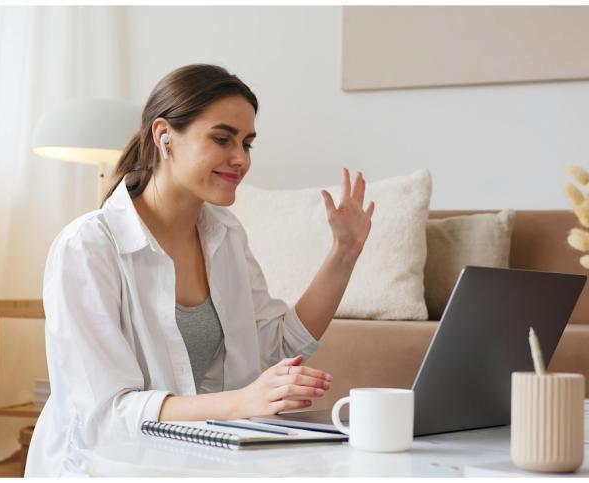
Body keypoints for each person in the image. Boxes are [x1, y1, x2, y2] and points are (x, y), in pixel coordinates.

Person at [25, 64, 375, 476]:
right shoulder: (88, 247)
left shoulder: (225, 234)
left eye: (247, 143)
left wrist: (344, 252)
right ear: (164, 136)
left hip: (203, 460)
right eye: (222, 139)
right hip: (107, 466)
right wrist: (243, 402)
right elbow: (107, 415)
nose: (240, 159)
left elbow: (279, 344)